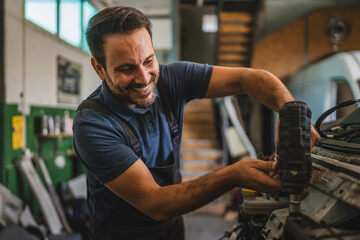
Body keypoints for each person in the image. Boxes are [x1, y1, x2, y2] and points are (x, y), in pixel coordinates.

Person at [73, 6, 320, 240]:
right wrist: (233, 175)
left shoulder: (172, 79)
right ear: (99, 68)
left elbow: (249, 78)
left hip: (172, 227)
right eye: (127, 68)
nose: (144, 77)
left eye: (149, 61)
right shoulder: (93, 124)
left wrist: (291, 114)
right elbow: (155, 202)